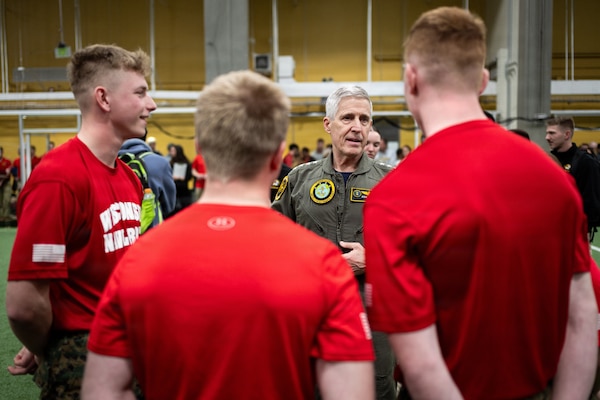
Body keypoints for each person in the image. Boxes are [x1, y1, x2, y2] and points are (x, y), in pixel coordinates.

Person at [81, 70, 375, 400]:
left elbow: (103, 390)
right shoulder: (325, 267)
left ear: (200, 151)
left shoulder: (139, 259)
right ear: (278, 156)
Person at [364, 7, 597, 400]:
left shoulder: (394, 197)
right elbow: (582, 317)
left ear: (411, 79)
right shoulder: (554, 177)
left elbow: (421, 363)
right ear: (484, 82)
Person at [5, 44, 156, 399]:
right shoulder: (58, 178)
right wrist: (52, 348)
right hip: (84, 363)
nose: (151, 105)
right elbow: (24, 305)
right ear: (103, 99)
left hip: (128, 347)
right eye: (140, 93)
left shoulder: (128, 178)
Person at [272, 86, 396, 400]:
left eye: (364, 120)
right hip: (310, 310)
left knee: (376, 388)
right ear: (328, 124)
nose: (357, 127)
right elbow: (272, 241)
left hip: (374, 314)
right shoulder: (299, 179)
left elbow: (418, 250)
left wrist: (373, 260)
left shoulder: (393, 182)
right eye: (348, 117)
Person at [546, 116, 600, 239]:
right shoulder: (545, 159)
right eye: (547, 133)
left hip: (576, 231)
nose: (547, 137)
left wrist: (584, 230)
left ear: (567, 134)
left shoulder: (585, 162)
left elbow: (591, 201)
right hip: (550, 227)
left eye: (552, 133)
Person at [119, 134, 176, 230]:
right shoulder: (160, 162)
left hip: (120, 231)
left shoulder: (109, 161)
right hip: (152, 229)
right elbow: (169, 206)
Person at [169, 144, 192, 215]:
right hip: (174, 190)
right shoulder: (171, 163)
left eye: (173, 151)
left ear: (178, 152)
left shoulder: (186, 163)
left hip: (184, 191)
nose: (171, 153)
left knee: (185, 211)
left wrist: (181, 178)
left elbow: (190, 176)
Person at [0, 146, 12, 222]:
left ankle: (6, 217)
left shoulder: (7, 161)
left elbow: (8, 174)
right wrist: (3, 173)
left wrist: (2, 177)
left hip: (6, 183)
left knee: (6, 200)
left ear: (2, 152)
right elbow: (4, 172)